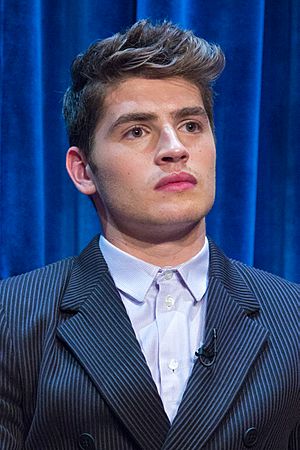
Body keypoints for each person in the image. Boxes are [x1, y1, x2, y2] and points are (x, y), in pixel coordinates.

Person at [0, 20, 299, 450]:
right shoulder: (12, 318)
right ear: (83, 170)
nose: (175, 148)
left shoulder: (293, 318)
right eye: (137, 130)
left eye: (192, 125)